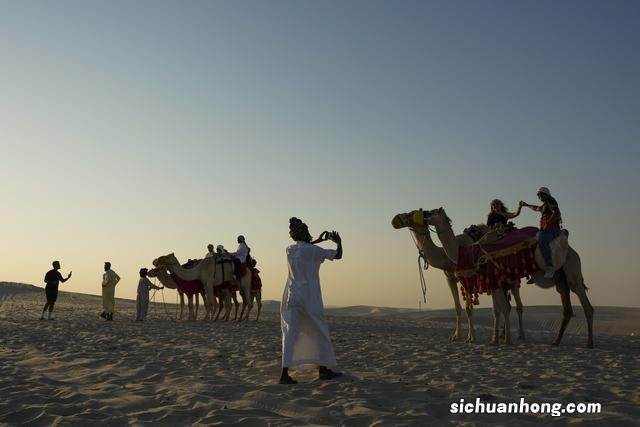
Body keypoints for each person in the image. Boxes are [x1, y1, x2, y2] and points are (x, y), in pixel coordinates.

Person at [280, 217, 343, 384]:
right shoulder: (315, 251)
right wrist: (338, 242)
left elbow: (303, 247)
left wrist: (316, 241)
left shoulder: (289, 250)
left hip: (292, 295)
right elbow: (338, 256)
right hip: (310, 295)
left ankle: (284, 373)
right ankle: (323, 368)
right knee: (320, 329)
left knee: (290, 333)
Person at [520, 187, 562, 279]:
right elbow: (536, 208)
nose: (539, 196)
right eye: (538, 195)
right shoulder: (543, 206)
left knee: (542, 240)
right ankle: (535, 270)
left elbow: (557, 213)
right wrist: (526, 205)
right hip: (546, 231)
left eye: (541, 194)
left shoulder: (551, 201)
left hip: (553, 230)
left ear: (546, 194)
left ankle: (550, 267)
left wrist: (548, 223)